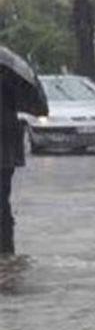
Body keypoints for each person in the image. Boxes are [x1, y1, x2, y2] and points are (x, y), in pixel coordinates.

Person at [0, 77, 25, 257]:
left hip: (4, 160)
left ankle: (6, 249)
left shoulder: (6, 87)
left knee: (2, 203)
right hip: (6, 161)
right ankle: (7, 250)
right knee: (3, 203)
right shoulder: (11, 85)